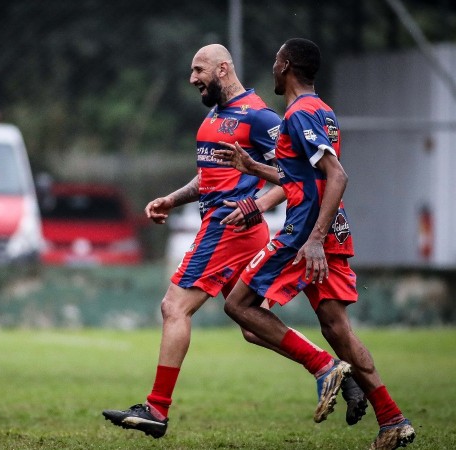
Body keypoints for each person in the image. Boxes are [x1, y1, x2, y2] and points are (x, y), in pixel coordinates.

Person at [101, 44, 364, 439]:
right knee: (249, 324)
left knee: (174, 306)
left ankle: (156, 408)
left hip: (228, 228)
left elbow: (293, 174)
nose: (192, 79)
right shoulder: (214, 116)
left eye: (198, 70)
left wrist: (256, 204)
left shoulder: (259, 115)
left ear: (223, 69)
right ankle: (330, 370)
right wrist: (173, 199)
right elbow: (207, 176)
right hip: (228, 226)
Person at [213, 38, 415, 450]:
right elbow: (305, 180)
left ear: (285, 65)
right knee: (337, 328)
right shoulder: (322, 110)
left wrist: (315, 241)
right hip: (329, 231)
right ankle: (393, 420)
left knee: (238, 305)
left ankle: (325, 368)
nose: (271, 67)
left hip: (305, 235)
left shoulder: (300, 113)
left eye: (274, 60)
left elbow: (336, 176)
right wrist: (255, 168)